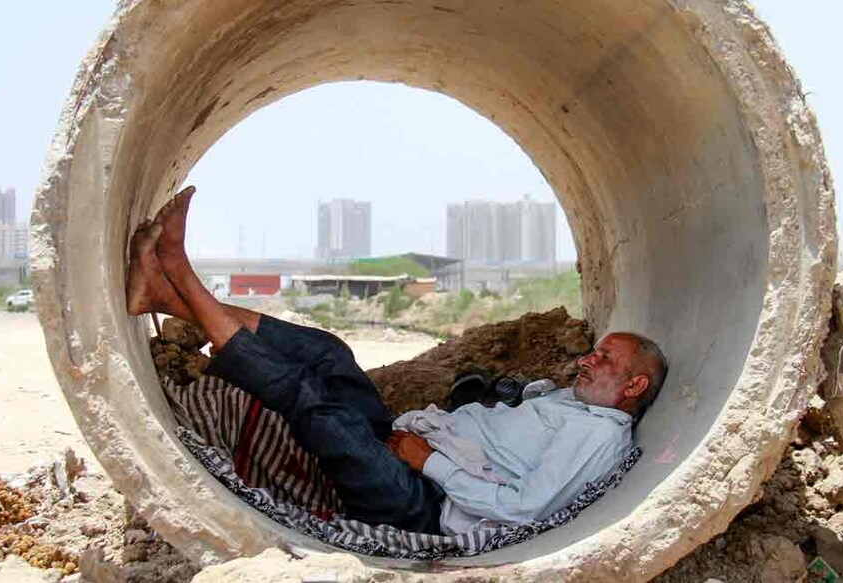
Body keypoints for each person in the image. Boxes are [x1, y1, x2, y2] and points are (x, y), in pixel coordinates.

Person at [126, 186, 669, 535]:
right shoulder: (573, 403)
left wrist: (423, 461)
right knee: (329, 353)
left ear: (634, 383)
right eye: (594, 351)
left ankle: (176, 268)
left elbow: (525, 508)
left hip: (422, 502)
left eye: (604, 358)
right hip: (412, 451)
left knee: (311, 401)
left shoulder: (600, 438)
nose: (587, 360)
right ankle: (166, 296)